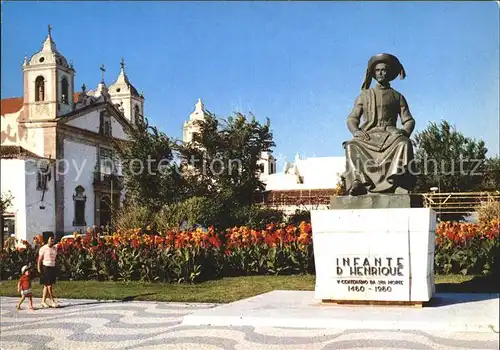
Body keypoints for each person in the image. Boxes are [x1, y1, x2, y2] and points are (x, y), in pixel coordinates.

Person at [342, 53, 417, 195]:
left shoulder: (397, 96)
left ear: (389, 73)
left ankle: (397, 183)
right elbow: (352, 118)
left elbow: (408, 120)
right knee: (351, 145)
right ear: (374, 74)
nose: (381, 73)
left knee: (404, 143)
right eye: (378, 70)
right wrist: (355, 130)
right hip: (369, 135)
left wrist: (404, 132)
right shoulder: (364, 95)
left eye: (384, 70)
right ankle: (358, 182)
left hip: (390, 135)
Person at [37, 233, 59, 308]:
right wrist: (39, 268)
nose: (52, 240)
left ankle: (43, 301)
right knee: (49, 285)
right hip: (45, 267)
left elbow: (56, 258)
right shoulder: (43, 248)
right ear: (47, 240)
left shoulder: (55, 248)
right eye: (51, 238)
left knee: (46, 286)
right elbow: (39, 260)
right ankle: (52, 301)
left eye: (53, 238)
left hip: (52, 267)